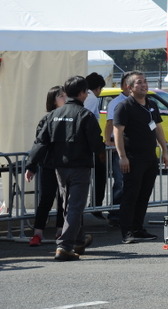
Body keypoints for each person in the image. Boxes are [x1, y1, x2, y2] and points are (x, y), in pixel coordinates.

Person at [24, 76, 104, 261]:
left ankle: (78, 240)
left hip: (58, 167)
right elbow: (96, 143)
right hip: (79, 167)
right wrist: (101, 154)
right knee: (75, 206)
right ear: (83, 93)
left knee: (69, 205)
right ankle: (65, 246)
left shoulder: (52, 116)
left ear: (66, 93)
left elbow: (40, 142)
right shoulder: (85, 115)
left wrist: (31, 165)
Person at [113, 72, 168, 243]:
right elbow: (118, 132)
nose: (144, 85)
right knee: (131, 195)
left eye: (145, 82)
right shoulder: (124, 106)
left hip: (149, 158)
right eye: (139, 83)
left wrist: (165, 150)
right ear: (129, 88)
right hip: (132, 158)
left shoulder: (151, 104)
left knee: (144, 195)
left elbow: (158, 128)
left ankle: (138, 228)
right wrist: (122, 156)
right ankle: (127, 232)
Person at [28, 86, 66, 247]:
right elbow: (39, 143)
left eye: (65, 95)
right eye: (60, 96)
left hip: (66, 165)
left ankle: (61, 231)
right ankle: (38, 233)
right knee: (46, 199)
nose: (64, 98)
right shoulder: (47, 119)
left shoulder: (71, 115)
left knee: (64, 200)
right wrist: (32, 165)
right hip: (49, 165)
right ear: (53, 100)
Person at [103, 72, 140, 227]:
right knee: (120, 181)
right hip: (120, 148)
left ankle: (131, 214)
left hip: (135, 148)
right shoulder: (117, 103)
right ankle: (116, 215)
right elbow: (110, 124)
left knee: (134, 182)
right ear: (127, 85)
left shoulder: (140, 101)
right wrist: (107, 141)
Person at [83, 71, 107, 217]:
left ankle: (95, 205)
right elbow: (89, 122)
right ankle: (96, 205)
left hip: (85, 144)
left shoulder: (85, 96)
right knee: (99, 175)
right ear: (97, 88)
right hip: (90, 144)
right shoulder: (91, 98)